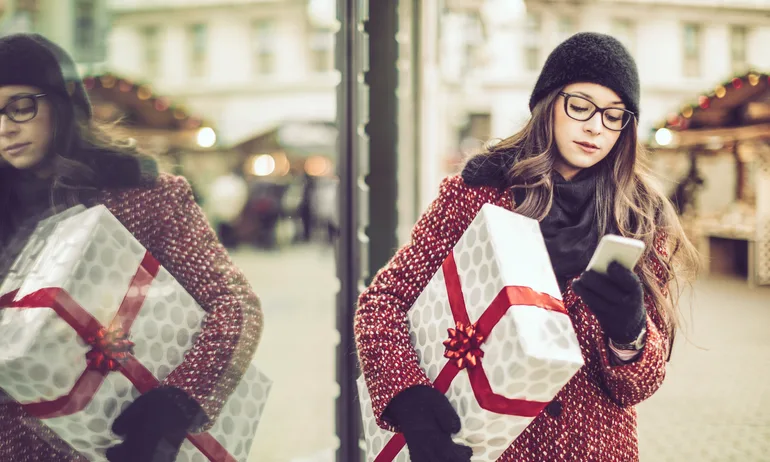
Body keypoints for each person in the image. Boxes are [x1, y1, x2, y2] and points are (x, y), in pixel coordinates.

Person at [354, 32, 698, 462]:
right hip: (483, 443)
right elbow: (383, 301)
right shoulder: (478, 191)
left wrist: (629, 336)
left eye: (614, 116)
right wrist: (411, 403)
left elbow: (638, 387)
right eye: (581, 106)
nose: (595, 126)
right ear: (548, 103)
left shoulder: (641, 220)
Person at [0, 34, 264, 462]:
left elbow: (234, 307)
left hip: (124, 441)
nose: (5, 127)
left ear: (64, 104)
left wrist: (177, 404)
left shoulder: (143, 195)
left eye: (20, 107)